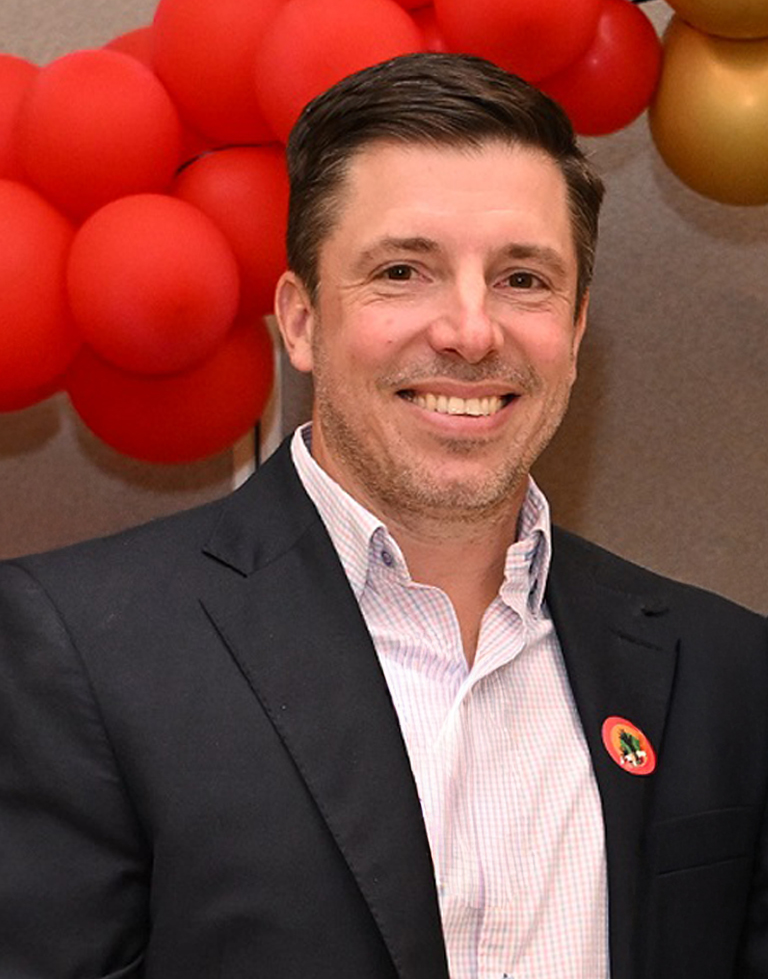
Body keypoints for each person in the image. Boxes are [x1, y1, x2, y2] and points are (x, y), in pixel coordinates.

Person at [1, 53, 766, 979]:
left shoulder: (726, 671)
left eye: (524, 279)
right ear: (302, 320)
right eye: (404, 271)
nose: (470, 331)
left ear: (574, 330)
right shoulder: (77, 650)